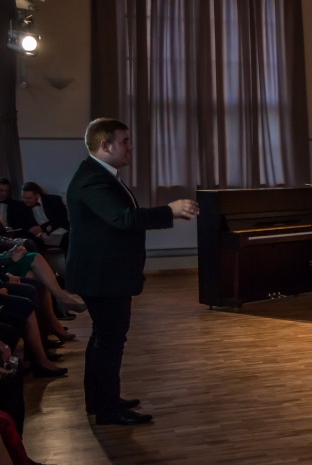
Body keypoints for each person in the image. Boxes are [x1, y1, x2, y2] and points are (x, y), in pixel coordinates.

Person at [65, 118, 199, 425]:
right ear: (105, 145)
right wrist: (171, 211)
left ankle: (101, 399)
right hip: (102, 276)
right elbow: (123, 219)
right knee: (110, 340)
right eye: (124, 141)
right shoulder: (94, 179)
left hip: (103, 274)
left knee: (105, 338)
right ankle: (107, 408)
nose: (130, 147)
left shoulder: (98, 174)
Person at [15, 182, 69, 251]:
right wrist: (40, 234)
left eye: (29, 198)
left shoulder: (53, 200)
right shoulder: (21, 207)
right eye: (23, 197)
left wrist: (42, 228)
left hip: (59, 232)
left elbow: (62, 218)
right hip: (39, 238)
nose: (25, 201)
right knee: (29, 242)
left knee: (70, 237)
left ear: (37, 195)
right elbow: (24, 226)